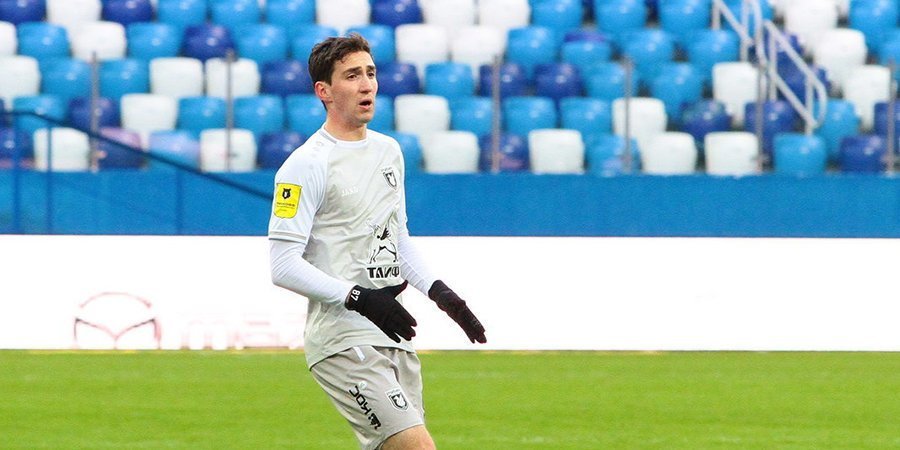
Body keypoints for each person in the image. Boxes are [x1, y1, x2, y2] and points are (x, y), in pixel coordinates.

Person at [268, 34, 487, 450]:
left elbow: (396, 237)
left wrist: (441, 294)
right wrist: (358, 297)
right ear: (324, 91)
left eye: (370, 73)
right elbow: (283, 265)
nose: (367, 84)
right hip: (342, 338)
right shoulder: (305, 164)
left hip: (392, 332)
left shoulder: (388, 151)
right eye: (352, 76)